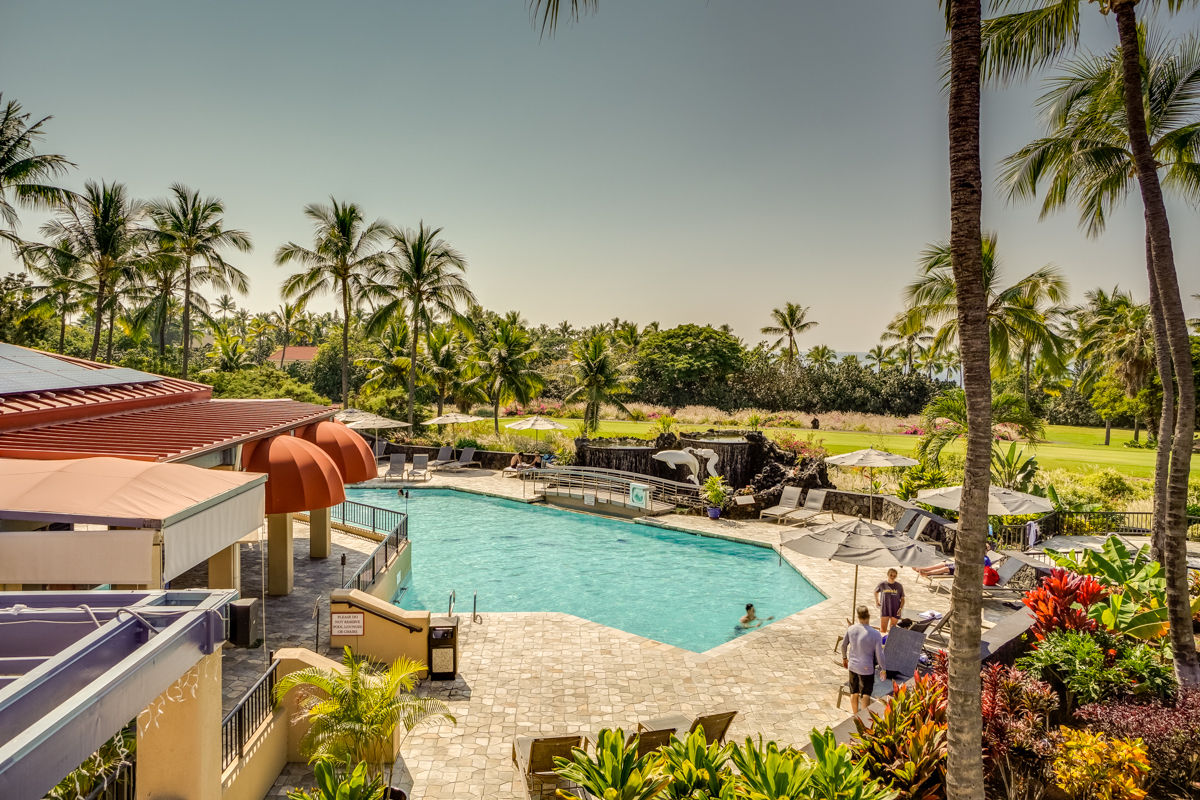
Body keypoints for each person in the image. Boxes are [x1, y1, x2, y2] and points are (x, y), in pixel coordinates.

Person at [841, 606, 884, 713]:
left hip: (853, 666)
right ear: (869, 616)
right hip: (866, 668)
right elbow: (880, 655)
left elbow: (843, 645)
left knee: (854, 693)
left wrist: (844, 658)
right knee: (865, 695)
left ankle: (855, 716)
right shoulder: (875, 633)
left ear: (858, 616)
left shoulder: (851, 629)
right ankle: (864, 721)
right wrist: (884, 669)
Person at [874, 569, 906, 633]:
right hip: (885, 608)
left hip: (896, 609)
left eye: (894, 576)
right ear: (888, 574)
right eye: (891, 575)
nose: (892, 577)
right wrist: (877, 601)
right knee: (883, 629)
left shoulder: (899, 586)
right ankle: (882, 641)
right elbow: (875, 591)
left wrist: (900, 608)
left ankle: (889, 642)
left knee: (892, 630)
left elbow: (902, 599)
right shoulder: (882, 584)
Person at [913, 554, 991, 578]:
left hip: (965, 569)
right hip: (960, 564)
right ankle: (923, 568)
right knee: (943, 564)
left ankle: (927, 573)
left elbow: (981, 568)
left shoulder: (985, 559)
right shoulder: (978, 556)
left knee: (945, 568)